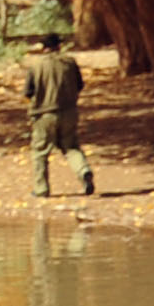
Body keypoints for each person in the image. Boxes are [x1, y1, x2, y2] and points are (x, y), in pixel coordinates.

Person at [16, 37, 93, 197]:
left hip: (44, 115)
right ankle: (83, 171)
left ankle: (41, 189)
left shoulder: (36, 66)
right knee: (71, 146)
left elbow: (28, 92)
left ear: (44, 48)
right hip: (69, 113)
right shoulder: (70, 63)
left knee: (40, 152)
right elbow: (80, 86)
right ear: (59, 46)